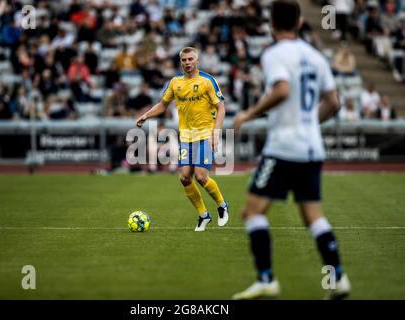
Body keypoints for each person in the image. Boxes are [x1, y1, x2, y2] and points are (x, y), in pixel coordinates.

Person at [232, 0, 350, 300]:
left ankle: (266, 279)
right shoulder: (315, 56)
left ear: (271, 24)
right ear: (299, 23)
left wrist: (249, 114)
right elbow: (334, 102)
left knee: (252, 213)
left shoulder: (274, 54)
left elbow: (281, 90)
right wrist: (310, 122)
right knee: (314, 217)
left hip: (284, 146)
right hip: (312, 146)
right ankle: (338, 279)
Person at [135, 47, 229, 232]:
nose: (187, 63)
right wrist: (146, 115)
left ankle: (222, 204)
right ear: (181, 62)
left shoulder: (207, 81)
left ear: (197, 61)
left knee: (201, 176)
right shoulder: (175, 82)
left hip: (205, 134)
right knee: (185, 178)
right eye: (184, 60)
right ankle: (203, 215)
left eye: (190, 59)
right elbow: (163, 105)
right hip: (186, 136)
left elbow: (221, 109)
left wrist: (215, 133)